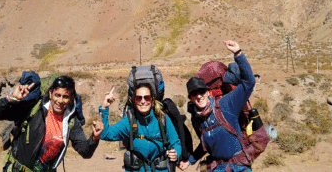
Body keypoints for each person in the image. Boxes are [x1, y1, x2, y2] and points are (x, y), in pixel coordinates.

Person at [0, 75, 103, 172]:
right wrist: (12, 98)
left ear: (71, 98)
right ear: (50, 93)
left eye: (65, 96)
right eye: (57, 95)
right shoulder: (33, 108)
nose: (60, 101)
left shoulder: (71, 121)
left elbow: (86, 152)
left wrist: (95, 137)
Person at [179, 40, 256, 172]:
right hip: (216, 168)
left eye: (202, 91)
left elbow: (249, 82)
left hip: (239, 167)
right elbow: (205, 146)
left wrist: (238, 53)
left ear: (208, 92)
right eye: (194, 93)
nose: (199, 96)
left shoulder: (227, 104)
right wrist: (190, 161)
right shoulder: (197, 119)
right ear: (190, 98)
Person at [99, 83, 182, 172]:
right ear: (134, 101)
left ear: (152, 99)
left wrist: (176, 152)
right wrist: (104, 108)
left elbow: (176, 143)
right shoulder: (128, 122)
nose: (143, 101)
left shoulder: (162, 119)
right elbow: (105, 134)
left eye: (147, 97)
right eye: (139, 98)